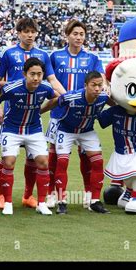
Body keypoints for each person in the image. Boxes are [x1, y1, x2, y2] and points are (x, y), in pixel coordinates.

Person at [0, 17, 65, 211]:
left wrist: (67, 96)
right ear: (18, 33)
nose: (30, 35)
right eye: (26, 31)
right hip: (11, 113)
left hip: (33, 115)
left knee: (34, 159)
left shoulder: (43, 55)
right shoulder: (9, 53)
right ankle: (2, 195)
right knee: (7, 158)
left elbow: (51, 79)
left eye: (33, 31)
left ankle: (28, 195)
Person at [0, 58, 59, 215]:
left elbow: (56, 98)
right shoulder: (12, 88)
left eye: (39, 74)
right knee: (9, 162)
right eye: (32, 74)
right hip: (11, 129)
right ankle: (8, 203)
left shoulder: (45, 88)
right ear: (25, 74)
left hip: (34, 129)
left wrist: (42, 111)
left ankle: (41, 203)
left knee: (43, 162)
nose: (36, 78)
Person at [46, 19, 106, 209]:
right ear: (67, 35)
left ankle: (89, 195)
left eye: (81, 34)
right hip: (59, 113)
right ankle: (52, 194)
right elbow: (50, 81)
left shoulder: (92, 58)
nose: (79, 37)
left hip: (84, 114)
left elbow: (101, 81)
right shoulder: (55, 56)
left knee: (86, 157)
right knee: (54, 156)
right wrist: (67, 98)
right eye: (75, 34)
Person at [52, 72, 111, 214]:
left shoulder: (103, 97)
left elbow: (116, 103)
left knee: (97, 162)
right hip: (66, 130)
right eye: (93, 85)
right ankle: (61, 201)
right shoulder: (71, 97)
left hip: (87, 131)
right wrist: (39, 112)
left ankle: (95, 201)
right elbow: (55, 101)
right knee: (62, 162)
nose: (97, 88)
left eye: (99, 85)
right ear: (85, 86)